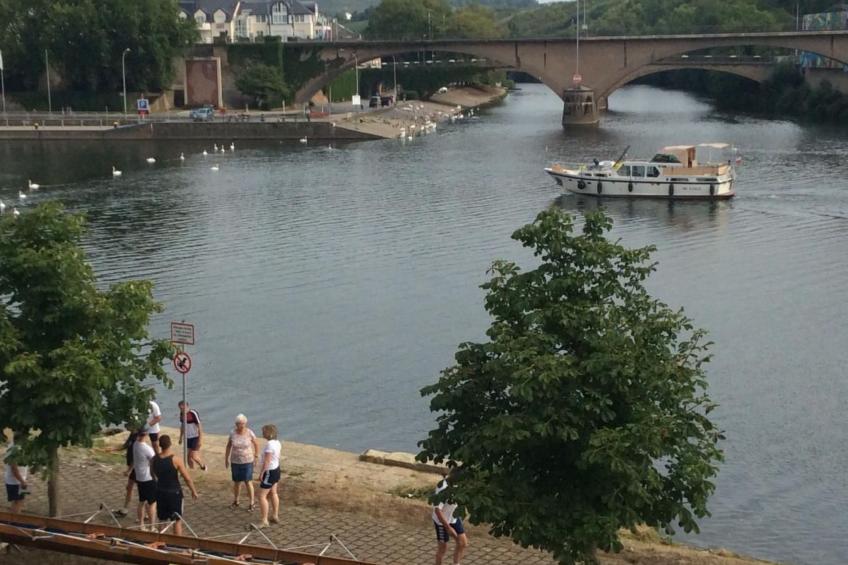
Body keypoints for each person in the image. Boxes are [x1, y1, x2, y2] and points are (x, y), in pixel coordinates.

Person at [151, 434, 198, 536]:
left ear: (160, 445)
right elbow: (187, 478)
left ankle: (160, 540)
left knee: (162, 519)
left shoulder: (154, 459)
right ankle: (177, 542)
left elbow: (152, 474)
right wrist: (193, 491)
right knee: (177, 520)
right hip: (174, 493)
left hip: (160, 491)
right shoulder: (175, 460)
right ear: (170, 444)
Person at [432, 470, 468, 565]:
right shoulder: (443, 489)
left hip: (453, 517)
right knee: (443, 548)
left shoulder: (458, 485)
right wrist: (448, 528)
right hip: (442, 521)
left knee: (462, 543)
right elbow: (437, 510)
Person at [224, 414, 259, 510]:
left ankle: (252, 503)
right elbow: (228, 446)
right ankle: (236, 501)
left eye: (243, 423)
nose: (242, 425)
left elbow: (256, 444)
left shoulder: (250, 433)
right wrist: (226, 459)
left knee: (248, 481)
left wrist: (256, 456)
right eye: (239, 424)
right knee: (237, 482)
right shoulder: (232, 433)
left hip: (247, 461)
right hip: (235, 461)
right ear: (236, 424)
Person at [254, 424, 281, 529]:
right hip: (276, 469)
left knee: (262, 496)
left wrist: (262, 473)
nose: (262, 433)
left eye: (264, 432)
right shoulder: (277, 443)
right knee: (273, 492)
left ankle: (264, 520)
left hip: (269, 471)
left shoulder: (269, 445)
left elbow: (267, 460)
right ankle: (275, 515)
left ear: (269, 433)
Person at [132, 429, 157, 530]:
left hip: (139, 476)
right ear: (146, 435)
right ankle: (152, 526)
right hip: (148, 477)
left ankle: (141, 524)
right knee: (152, 503)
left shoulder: (135, 445)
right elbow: (154, 462)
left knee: (141, 501)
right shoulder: (147, 449)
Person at [115, 428, 139, 517]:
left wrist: (129, 470)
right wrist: (113, 449)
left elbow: (135, 458)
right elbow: (125, 446)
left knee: (142, 492)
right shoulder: (132, 435)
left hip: (138, 469)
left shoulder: (137, 439)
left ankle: (147, 513)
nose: (127, 426)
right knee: (129, 488)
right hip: (133, 468)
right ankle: (125, 509)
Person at [4, 432, 29, 514]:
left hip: (20, 480)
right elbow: (14, 469)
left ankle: (15, 519)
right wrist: (22, 481)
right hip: (15, 481)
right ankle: (14, 522)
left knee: (20, 501)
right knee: (17, 502)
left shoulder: (16, 447)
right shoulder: (13, 451)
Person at [178, 401, 207, 471]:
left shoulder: (193, 413)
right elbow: (182, 426)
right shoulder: (182, 414)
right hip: (187, 438)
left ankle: (203, 466)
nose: (181, 410)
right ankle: (192, 470)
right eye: (180, 409)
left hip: (195, 437)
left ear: (187, 406)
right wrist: (181, 437)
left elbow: (199, 426)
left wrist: (200, 440)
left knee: (193, 456)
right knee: (188, 457)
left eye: (182, 408)